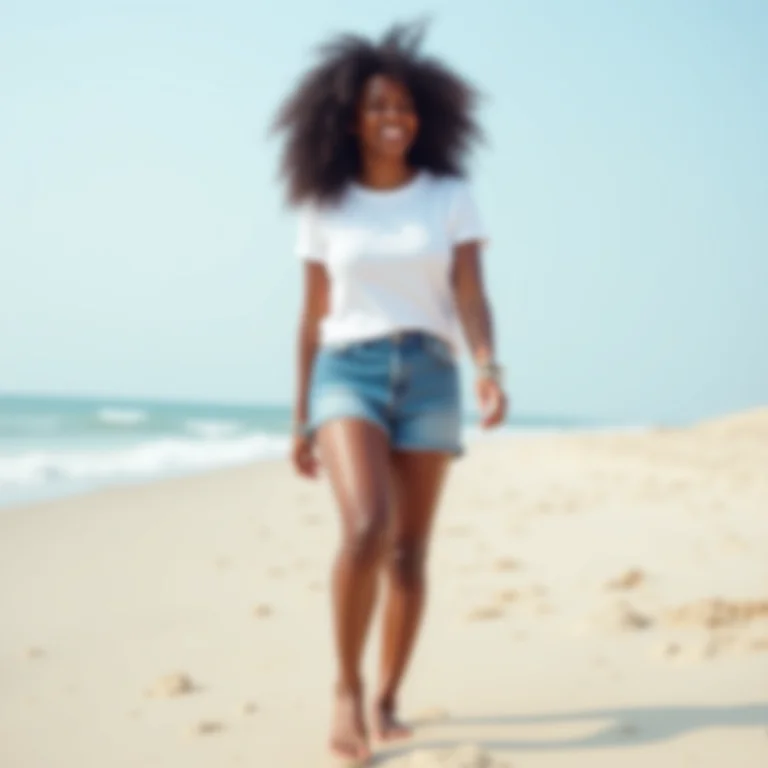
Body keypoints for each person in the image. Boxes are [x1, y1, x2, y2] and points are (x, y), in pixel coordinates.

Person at [272, 20, 508, 764]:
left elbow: (471, 291)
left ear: (422, 115)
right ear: (350, 117)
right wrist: (299, 414)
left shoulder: (449, 195)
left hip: (432, 373)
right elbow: (311, 314)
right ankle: (346, 689)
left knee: (409, 553)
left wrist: (487, 366)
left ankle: (386, 697)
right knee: (367, 525)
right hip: (348, 371)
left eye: (404, 107)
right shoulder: (325, 203)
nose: (393, 119)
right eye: (378, 107)